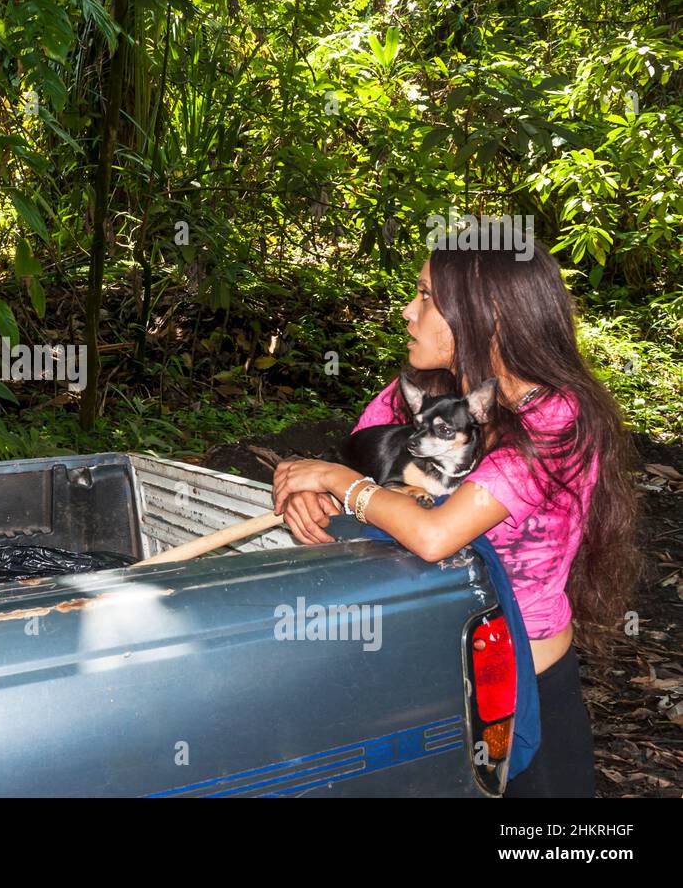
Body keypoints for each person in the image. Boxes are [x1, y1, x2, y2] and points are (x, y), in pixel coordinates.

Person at [272, 229, 640, 798]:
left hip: (518, 694)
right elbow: (357, 472)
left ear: (486, 313)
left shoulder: (557, 416)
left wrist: (337, 483)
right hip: (414, 682)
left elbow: (436, 533)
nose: (406, 312)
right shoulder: (415, 397)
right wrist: (307, 489)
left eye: (424, 297)